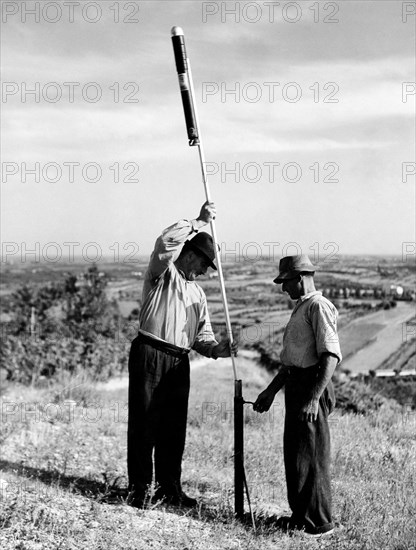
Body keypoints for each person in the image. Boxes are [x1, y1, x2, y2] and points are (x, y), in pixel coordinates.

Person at [128, 200, 237, 508]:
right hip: (149, 353)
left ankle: (169, 490)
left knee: (173, 428)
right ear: (191, 255)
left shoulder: (198, 294)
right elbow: (164, 243)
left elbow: (202, 337)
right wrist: (199, 221)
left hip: (179, 362)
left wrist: (218, 350)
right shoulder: (161, 274)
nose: (205, 271)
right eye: (205, 264)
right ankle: (139, 490)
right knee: (144, 424)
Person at [254, 254, 342, 537]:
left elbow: (330, 356)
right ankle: (301, 517)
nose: (283, 288)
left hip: (312, 386)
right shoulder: (303, 307)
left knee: (313, 454)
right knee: (298, 455)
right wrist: (271, 391)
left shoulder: (318, 306)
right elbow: (292, 362)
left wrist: (314, 397)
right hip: (297, 385)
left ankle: (320, 524)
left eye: (286, 282)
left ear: (302, 277)